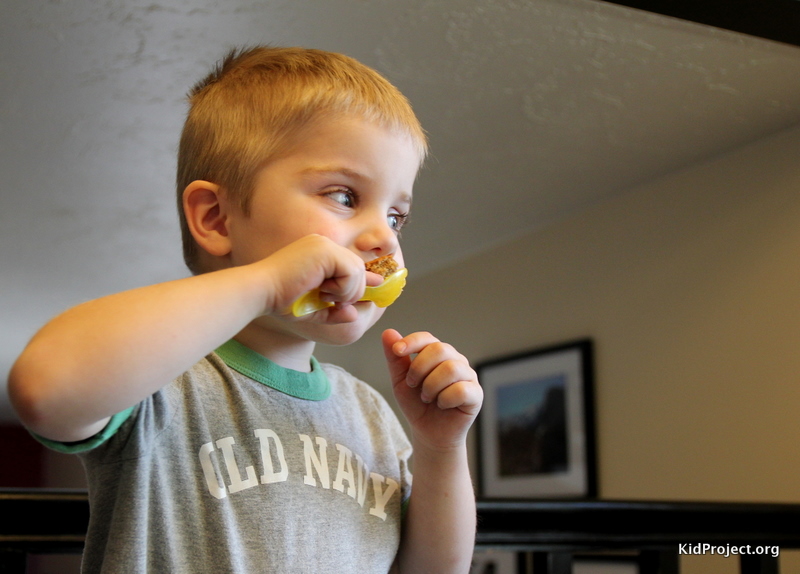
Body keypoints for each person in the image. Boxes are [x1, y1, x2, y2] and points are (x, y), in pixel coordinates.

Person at [8, 46, 483, 573]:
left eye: (396, 217)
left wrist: (440, 449)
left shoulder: (370, 414)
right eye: (344, 196)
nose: (385, 240)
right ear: (216, 218)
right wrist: (266, 282)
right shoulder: (159, 381)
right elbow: (44, 388)